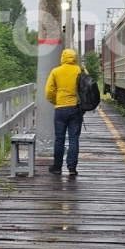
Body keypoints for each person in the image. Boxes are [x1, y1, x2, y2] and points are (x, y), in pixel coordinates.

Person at [45, 48, 84, 176]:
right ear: (74, 58)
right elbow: (86, 88)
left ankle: (57, 167)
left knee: (59, 139)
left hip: (61, 108)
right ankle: (72, 168)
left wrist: (56, 101)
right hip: (76, 108)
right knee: (74, 139)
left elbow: (49, 92)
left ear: (62, 57)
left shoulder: (56, 71)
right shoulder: (81, 70)